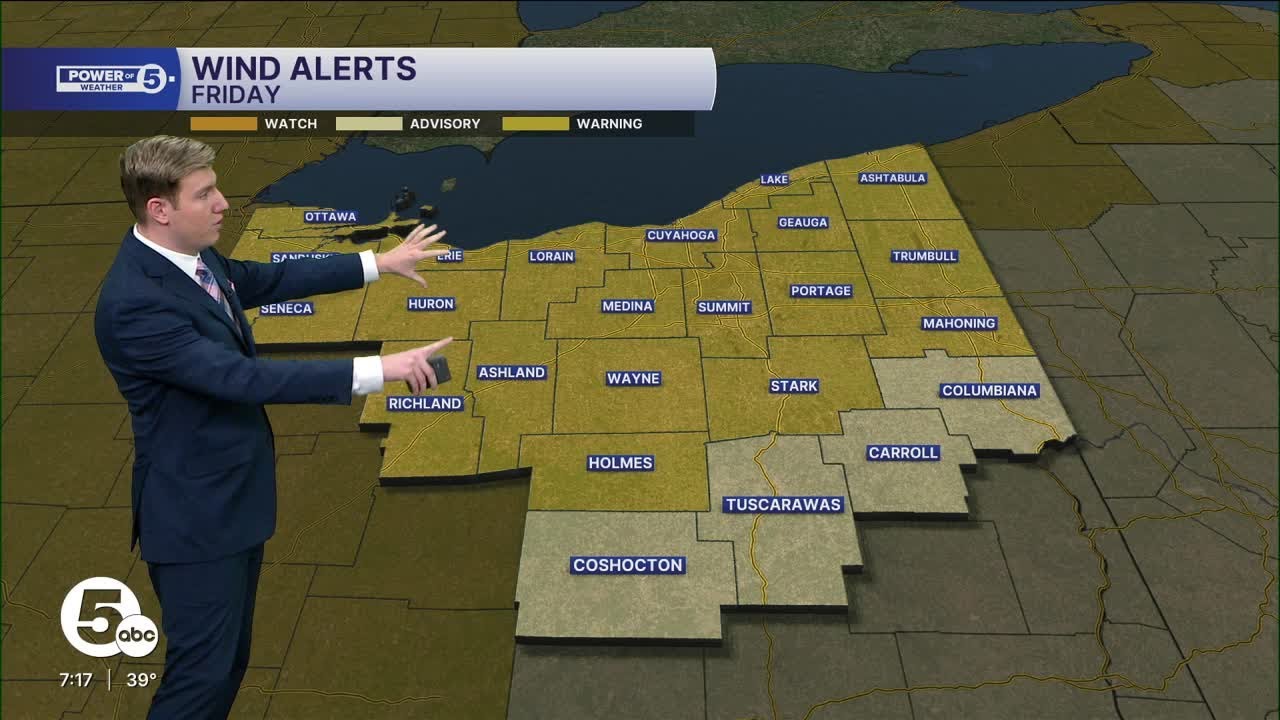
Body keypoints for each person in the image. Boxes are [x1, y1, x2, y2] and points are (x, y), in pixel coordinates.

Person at [94, 135, 451, 719]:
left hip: (231, 504)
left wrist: (377, 263)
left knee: (227, 665)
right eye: (204, 194)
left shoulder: (192, 257)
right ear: (160, 210)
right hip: (195, 523)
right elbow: (240, 379)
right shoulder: (136, 305)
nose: (223, 203)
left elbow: (263, 279)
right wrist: (380, 370)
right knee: (200, 680)